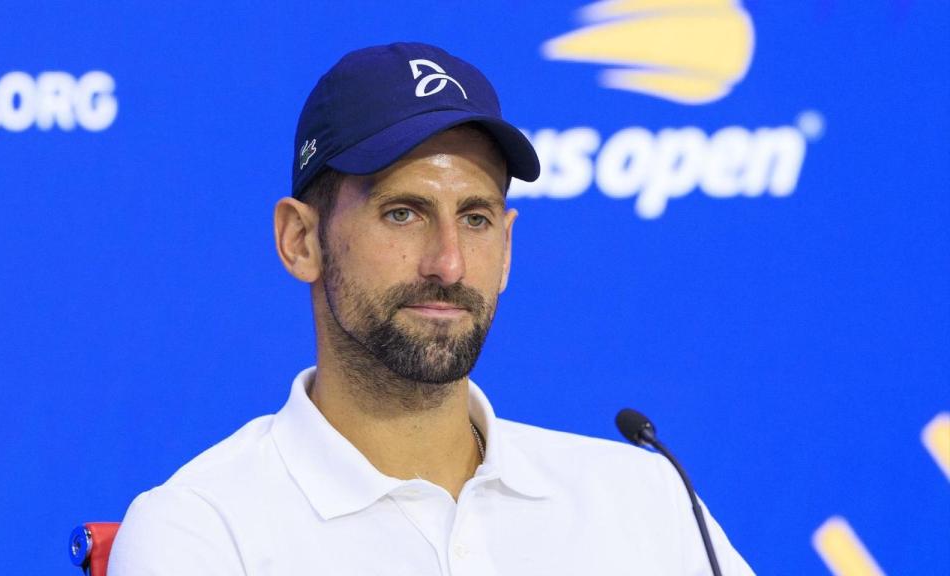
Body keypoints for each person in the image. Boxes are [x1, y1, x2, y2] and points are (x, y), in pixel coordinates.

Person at [108, 42, 754, 575]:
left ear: (507, 248)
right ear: (300, 240)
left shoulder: (643, 500)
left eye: (475, 219)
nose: (448, 263)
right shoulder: (203, 528)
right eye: (402, 213)